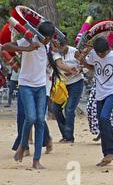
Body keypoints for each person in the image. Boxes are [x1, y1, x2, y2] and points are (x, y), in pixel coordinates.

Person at [2, 21, 59, 169]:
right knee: (31, 117)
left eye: (49, 38)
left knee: (40, 120)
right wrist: (26, 49)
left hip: (41, 87)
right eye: (45, 37)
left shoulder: (48, 45)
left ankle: (36, 160)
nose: (46, 40)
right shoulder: (28, 40)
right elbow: (5, 47)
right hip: (26, 85)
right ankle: (23, 143)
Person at [81, 36, 113, 166]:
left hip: (112, 91)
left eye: (103, 53)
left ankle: (112, 151)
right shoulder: (93, 55)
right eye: (98, 53)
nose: (101, 55)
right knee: (102, 123)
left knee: (104, 117)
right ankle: (106, 154)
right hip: (99, 92)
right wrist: (82, 59)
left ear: (108, 49)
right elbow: (91, 68)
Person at [51, 36, 84, 143]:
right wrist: (70, 69)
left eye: (61, 47)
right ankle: (65, 134)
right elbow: (59, 64)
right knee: (55, 108)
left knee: (69, 109)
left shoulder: (75, 51)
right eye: (57, 47)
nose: (59, 49)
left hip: (76, 84)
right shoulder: (56, 52)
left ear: (66, 44)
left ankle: (69, 137)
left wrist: (79, 69)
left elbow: (85, 66)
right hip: (62, 85)